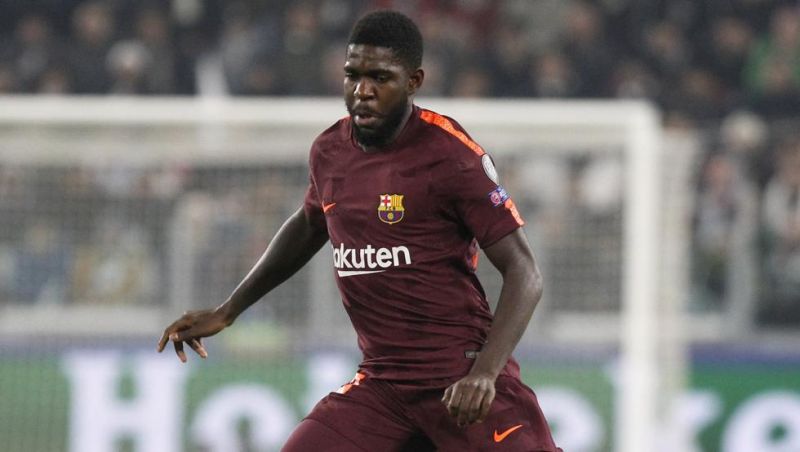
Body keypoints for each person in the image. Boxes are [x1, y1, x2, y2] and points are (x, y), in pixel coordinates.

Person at [158, 10, 561, 451]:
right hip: (383, 385)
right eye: (353, 75)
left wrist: (485, 372)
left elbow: (525, 273)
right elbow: (309, 224)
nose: (362, 91)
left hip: (461, 378)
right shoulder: (330, 151)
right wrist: (228, 310)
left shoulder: (450, 155)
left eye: (380, 78)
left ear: (413, 81)